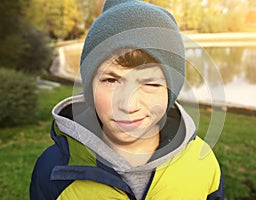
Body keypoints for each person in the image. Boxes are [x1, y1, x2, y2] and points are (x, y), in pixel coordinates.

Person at [30, 0, 224, 199]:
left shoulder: (202, 163)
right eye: (111, 80)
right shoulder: (51, 171)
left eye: (150, 83)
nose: (128, 105)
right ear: (90, 87)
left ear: (170, 91)